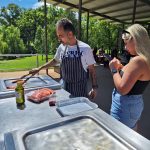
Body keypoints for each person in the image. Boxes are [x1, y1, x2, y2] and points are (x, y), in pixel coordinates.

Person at [29, 18, 98, 98]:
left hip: (80, 94)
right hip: (64, 91)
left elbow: (92, 70)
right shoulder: (61, 47)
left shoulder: (85, 48)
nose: (59, 39)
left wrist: (95, 87)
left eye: (60, 36)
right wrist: (39, 68)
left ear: (70, 34)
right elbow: (55, 60)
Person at [109, 24, 150, 131]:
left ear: (136, 40)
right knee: (130, 132)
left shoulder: (138, 61)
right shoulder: (144, 60)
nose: (125, 47)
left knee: (118, 134)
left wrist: (113, 69)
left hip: (125, 106)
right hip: (133, 105)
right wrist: (121, 67)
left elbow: (122, 89)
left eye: (126, 43)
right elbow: (134, 77)